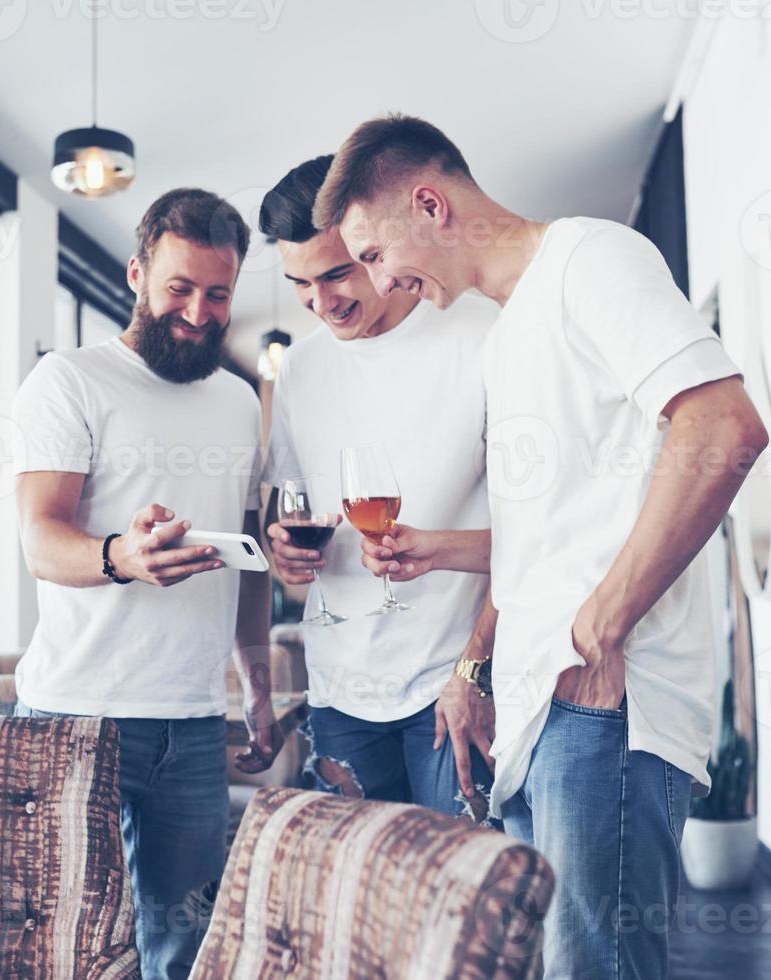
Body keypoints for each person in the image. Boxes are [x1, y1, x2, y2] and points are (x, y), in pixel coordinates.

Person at [312, 115, 769, 978]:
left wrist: (602, 625)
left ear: (428, 203)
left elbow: (722, 426)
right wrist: (474, 664)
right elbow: (548, 537)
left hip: (600, 703)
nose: (378, 281)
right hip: (539, 710)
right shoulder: (508, 331)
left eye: (372, 254)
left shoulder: (590, 260)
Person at [11, 188, 279, 980]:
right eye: (179, 289)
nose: (199, 311)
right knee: (66, 945)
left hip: (192, 727)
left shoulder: (239, 401)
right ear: (137, 274)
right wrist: (120, 557)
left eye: (218, 293)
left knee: (187, 947)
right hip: (74, 717)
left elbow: (249, 556)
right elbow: (40, 539)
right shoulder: (68, 380)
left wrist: (256, 686)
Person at [258, 154, 497, 821]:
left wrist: (475, 672)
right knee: (365, 910)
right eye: (299, 284)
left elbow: (537, 531)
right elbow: (292, 511)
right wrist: (287, 551)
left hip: (452, 686)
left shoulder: (479, 334)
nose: (321, 301)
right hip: (339, 696)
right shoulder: (300, 368)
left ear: (376, 242)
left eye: (338, 272)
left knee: (464, 904)